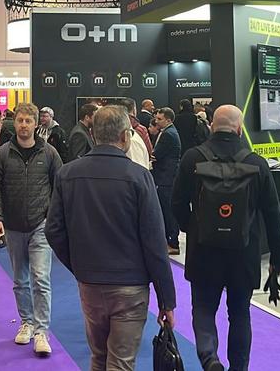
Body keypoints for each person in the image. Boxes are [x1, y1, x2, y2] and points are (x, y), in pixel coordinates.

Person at [47, 105, 176, 371]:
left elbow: (54, 230)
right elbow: (154, 242)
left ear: (93, 134)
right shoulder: (139, 176)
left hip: (90, 282)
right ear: (125, 136)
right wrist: (167, 300)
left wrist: (79, 265)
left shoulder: (67, 174)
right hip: (130, 285)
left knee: (99, 357)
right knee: (120, 362)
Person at [172, 105, 280, 371]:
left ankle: (209, 358)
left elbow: (176, 203)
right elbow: (273, 214)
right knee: (240, 314)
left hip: (203, 251)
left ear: (212, 126)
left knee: (203, 308)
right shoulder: (257, 163)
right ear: (239, 129)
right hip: (243, 252)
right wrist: (278, 258)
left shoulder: (192, 158)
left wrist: (193, 228)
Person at [0, 103, 62, 358]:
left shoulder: (49, 153)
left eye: (29, 121)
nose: (24, 125)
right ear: (15, 122)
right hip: (12, 225)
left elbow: (60, 186)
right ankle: (26, 322)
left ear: (36, 123)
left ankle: (41, 330)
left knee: (41, 278)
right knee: (20, 280)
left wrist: (53, 217)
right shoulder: (3, 154)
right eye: (20, 121)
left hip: (41, 225)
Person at [152, 107, 182, 255]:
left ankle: (173, 242)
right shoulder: (169, 132)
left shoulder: (168, 134)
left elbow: (157, 154)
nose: (156, 121)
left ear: (168, 120)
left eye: (159, 119)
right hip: (167, 176)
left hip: (167, 177)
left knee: (168, 210)